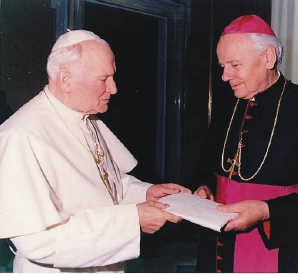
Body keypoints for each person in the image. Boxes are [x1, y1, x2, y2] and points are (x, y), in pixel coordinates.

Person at [0, 30, 191, 272]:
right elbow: (36, 243)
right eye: (103, 79)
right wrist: (134, 219)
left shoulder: (85, 118)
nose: (113, 88)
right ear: (66, 79)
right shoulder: (21, 135)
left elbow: (105, 185)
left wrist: (146, 194)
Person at [193, 14, 298, 273]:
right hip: (215, 249)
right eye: (223, 65)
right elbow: (207, 166)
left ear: (267, 57)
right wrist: (204, 188)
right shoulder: (227, 107)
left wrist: (267, 211)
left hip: (278, 252)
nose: (224, 76)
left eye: (234, 64)